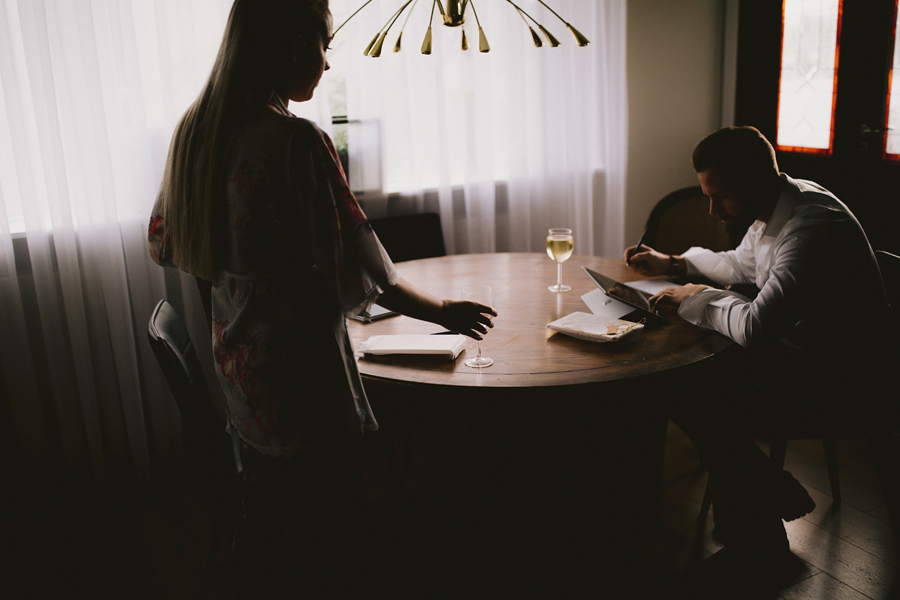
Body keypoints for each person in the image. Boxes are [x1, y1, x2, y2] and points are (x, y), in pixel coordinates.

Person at [147, 0, 496, 593]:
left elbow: (162, 243)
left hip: (241, 380)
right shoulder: (295, 143)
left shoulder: (196, 131)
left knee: (289, 518)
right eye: (324, 44)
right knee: (335, 533)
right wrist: (445, 313)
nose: (328, 62)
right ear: (291, 43)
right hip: (303, 382)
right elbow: (369, 274)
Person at [625, 127, 886, 589]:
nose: (711, 208)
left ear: (758, 184)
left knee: (692, 389)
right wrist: (672, 263)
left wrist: (698, 297)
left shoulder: (809, 227)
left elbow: (756, 329)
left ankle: (759, 536)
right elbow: (742, 265)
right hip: (803, 348)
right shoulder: (774, 206)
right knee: (683, 383)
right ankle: (761, 500)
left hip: (843, 376)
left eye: (720, 196)